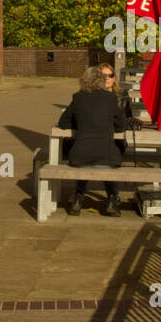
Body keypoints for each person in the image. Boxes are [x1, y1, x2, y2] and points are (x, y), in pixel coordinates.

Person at [57, 63, 127, 216]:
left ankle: (77, 197)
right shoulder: (110, 98)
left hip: (79, 155)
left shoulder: (78, 97)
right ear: (100, 80)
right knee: (106, 159)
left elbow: (63, 123)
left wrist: (80, 123)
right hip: (107, 155)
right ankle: (112, 199)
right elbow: (121, 127)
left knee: (88, 158)